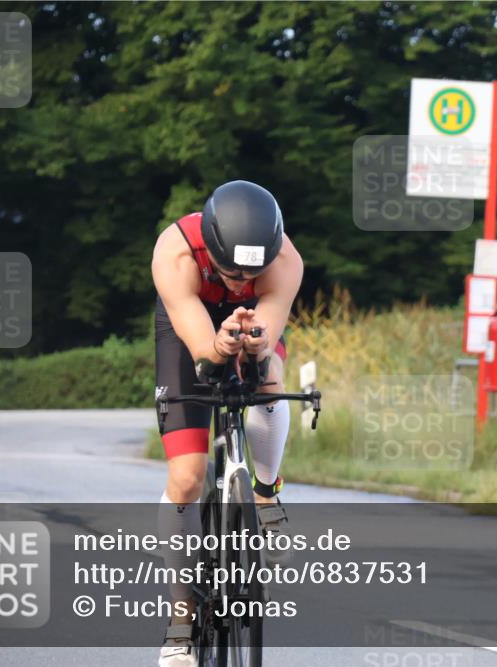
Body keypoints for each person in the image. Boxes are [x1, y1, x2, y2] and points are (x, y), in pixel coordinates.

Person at [150, 180, 303, 667]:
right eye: (231, 272)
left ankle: (265, 490)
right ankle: (180, 621)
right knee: (187, 477)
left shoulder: (284, 262)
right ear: (211, 252)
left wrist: (254, 344)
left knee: (269, 378)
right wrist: (219, 347)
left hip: (252, 321)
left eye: (250, 274)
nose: (240, 282)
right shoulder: (175, 254)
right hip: (190, 320)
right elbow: (203, 353)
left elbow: (267, 333)